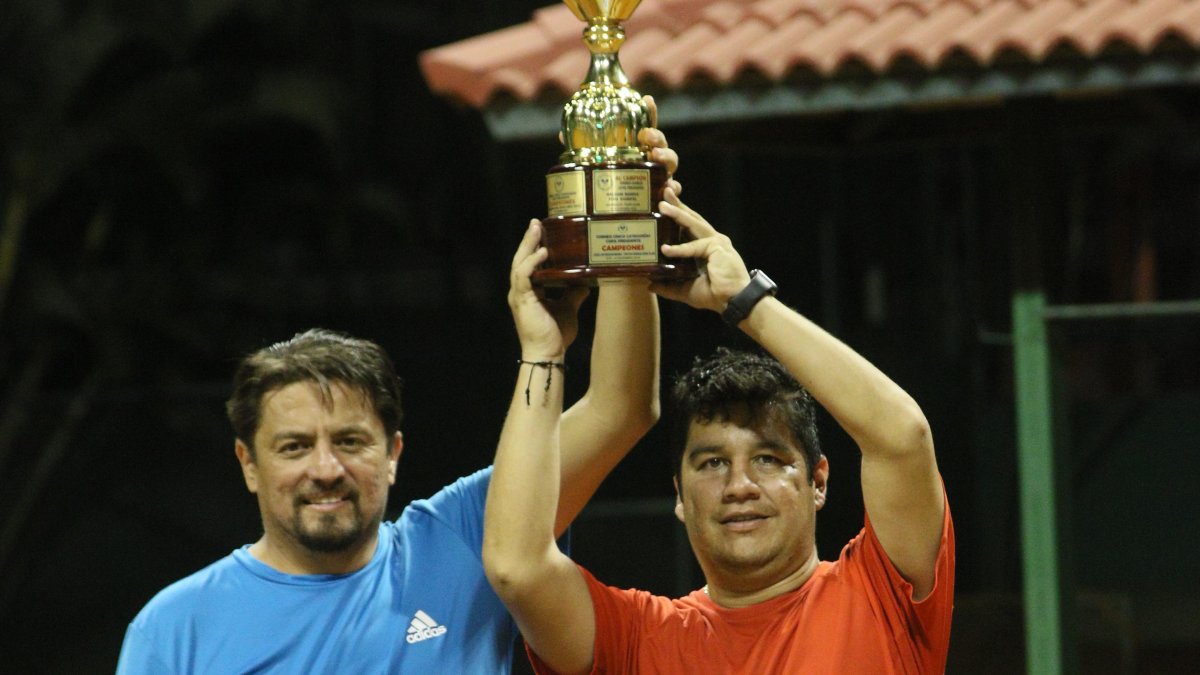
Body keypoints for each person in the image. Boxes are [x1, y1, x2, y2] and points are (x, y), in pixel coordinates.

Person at [115, 112, 679, 674]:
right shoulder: (175, 629)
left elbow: (618, 408)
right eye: (293, 447)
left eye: (351, 441)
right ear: (248, 464)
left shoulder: (463, 539)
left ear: (393, 454)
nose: (326, 468)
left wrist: (627, 213)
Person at [486, 189, 955, 674]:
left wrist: (745, 303)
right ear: (679, 496)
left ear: (818, 481)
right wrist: (542, 350)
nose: (739, 487)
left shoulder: (879, 595)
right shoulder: (636, 638)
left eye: (768, 459)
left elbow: (902, 436)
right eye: (712, 463)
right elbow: (516, 567)